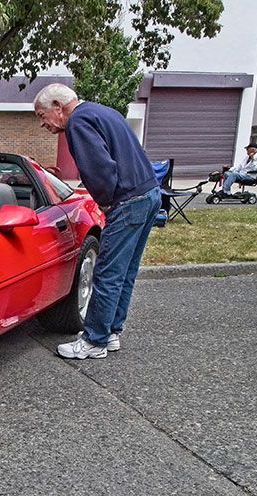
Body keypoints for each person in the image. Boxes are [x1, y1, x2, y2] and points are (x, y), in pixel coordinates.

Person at [33, 83, 161, 359]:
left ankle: (94, 340)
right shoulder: (102, 112)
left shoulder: (78, 122)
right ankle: (111, 332)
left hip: (127, 201)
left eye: (42, 116)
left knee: (107, 272)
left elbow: (101, 168)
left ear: (58, 106)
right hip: (149, 194)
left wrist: (105, 201)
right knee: (125, 271)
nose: (43, 125)